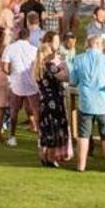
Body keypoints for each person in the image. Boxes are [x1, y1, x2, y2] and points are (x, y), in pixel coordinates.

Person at [68, 30, 105, 173]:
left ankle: (81, 166)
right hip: (103, 102)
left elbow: (73, 80)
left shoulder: (79, 59)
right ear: (98, 44)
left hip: (86, 102)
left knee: (83, 135)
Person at [35, 31, 71, 168]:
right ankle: (50, 158)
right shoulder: (49, 66)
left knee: (45, 129)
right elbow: (64, 77)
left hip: (44, 101)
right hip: (54, 101)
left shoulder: (38, 66)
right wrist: (63, 65)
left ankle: (43, 156)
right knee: (54, 129)